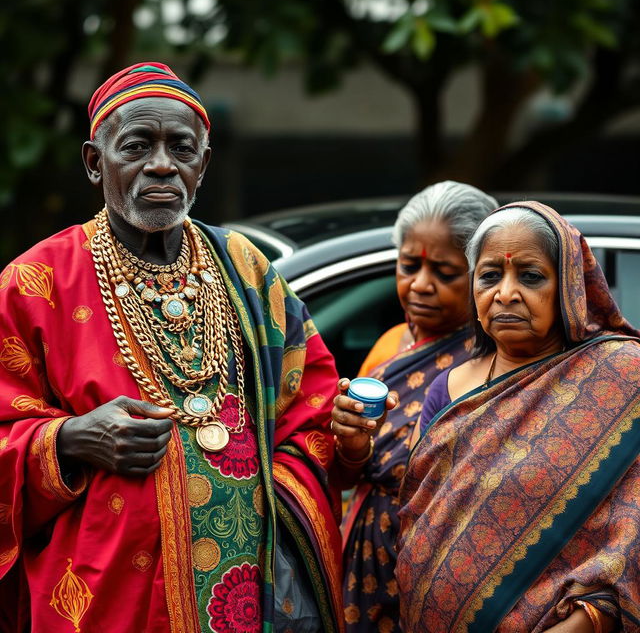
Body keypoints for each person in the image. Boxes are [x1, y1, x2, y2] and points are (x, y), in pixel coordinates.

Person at [0, 62, 344, 633]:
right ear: (94, 162)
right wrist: (71, 438)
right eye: (137, 145)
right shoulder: (35, 284)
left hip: (249, 596)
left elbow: (312, 406)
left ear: (202, 165)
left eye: (181, 148)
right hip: (102, 597)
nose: (161, 164)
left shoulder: (249, 270)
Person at [397, 201, 640, 633]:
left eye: (530, 276)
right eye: (490, 276)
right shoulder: (446, 389)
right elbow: (418, 512)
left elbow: (631, 533)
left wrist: (586, 621)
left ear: (568, 285)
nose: (505, 293)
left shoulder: (623, 378)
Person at [330, 181, 498, 632]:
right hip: (363, 552)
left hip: (433, 567)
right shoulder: (390, 345)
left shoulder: (490, 363)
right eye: (409, 266)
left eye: (444, 272)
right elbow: (348, 474)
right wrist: (350, 442)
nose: (420, 285)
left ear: (482, 273)